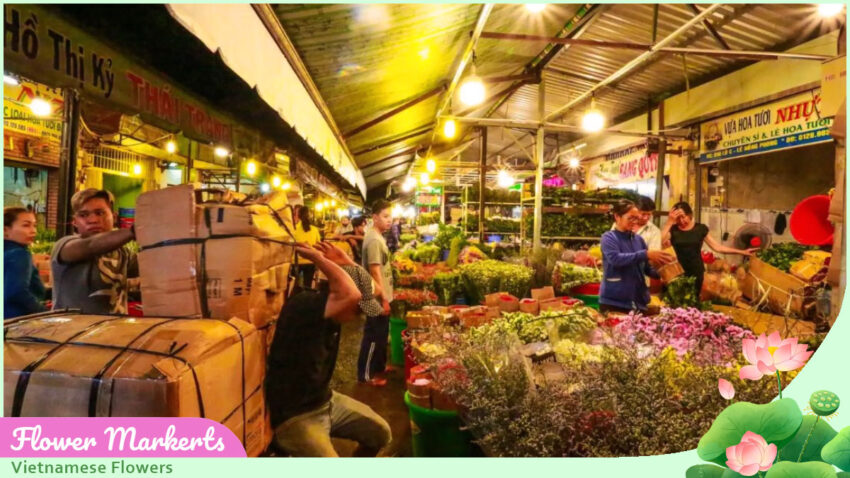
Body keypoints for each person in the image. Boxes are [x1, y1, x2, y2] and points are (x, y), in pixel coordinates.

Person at [265, 242, 391, 457]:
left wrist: (346, 263)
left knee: (381, 434)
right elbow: (352, 295)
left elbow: (375, 292)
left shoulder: (333, 308)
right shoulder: (304, 307)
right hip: (295, 416)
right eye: (356, 309)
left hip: (326, 401)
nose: (356, 316)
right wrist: (320, 260)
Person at [51, 189, 137, 314]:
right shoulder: (65, 245)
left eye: (100, 213)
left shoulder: (123, 253)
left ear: (114, 217)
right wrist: (134, 231)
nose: (93, 220)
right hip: (73, 331)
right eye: (83, 215)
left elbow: (155, 268)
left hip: (114, 331)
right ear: (75, 222)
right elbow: (91, 245)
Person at [661, 201, 756, 296]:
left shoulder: (700, 229)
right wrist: (669, 223)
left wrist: (742, 251)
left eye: (684, 217)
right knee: (675, 303)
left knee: (693, 302)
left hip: (696, 271)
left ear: (690, 214)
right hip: (676, 272)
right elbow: (658, 241)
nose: (681, 221)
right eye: (678, 218)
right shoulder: (673, 230)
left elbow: (717, 247)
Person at [599, 200, 674, 314]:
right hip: (615, 300)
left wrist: (664, 272)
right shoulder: (609, 238)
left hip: (638, 300)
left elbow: (646, 268)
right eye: (630, 218)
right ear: (617, 216)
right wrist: (646, 254)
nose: (634, 221)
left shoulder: (638, 240)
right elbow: (616, 259)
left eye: (636, 218)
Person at [358, 199, 394, 386]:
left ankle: (379, 366)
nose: (390, 220)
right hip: (376, 298)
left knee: (381, 333)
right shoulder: (372, 239)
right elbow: (374, 271)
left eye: (390, 216)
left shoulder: (377, 236)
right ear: (374, 217)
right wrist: (384, 299)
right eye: (385, 216)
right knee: (372, 336)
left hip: (382, 296)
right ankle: (366, 375)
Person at [4, 207, 47, 318]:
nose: (33, 231)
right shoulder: (19, 254)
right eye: (26, 225)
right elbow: (17, 293)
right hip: (17, 323)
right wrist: (46, 313)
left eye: (34, 225)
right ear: (5, 230)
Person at [293, 206, 322, 288]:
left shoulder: (294, 229)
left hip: (296, 262)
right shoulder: (315, 229)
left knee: (294, 286)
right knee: (308, 285)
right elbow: (318, 245)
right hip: (311, 261)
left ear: (297, 215)